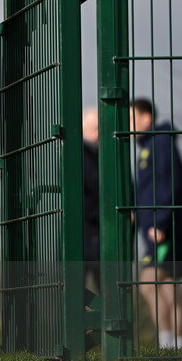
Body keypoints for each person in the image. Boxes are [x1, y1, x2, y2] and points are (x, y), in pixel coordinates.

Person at [131, 98, 182, 349]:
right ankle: (175, 345)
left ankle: (170, 343)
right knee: (165, 285)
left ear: (146, 118)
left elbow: (168, 185)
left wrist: (161, 223)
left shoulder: (160, 142)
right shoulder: (149, 146)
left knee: (149, 282)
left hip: (165, 229)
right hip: (157, 228)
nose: (129, 125)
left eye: (132, 118)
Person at [82, 106, 100, 294]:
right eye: (95, 129)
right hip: (85, 232)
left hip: (97, 234)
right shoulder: (80, 156)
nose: (98, 135)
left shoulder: (100, 154)